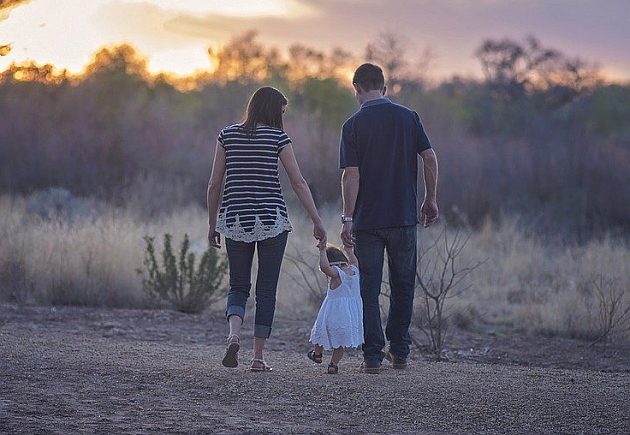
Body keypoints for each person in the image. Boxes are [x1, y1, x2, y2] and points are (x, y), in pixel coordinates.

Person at [207, 86, 326, 372]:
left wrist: (213, 224)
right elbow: (298, 182)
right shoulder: (278, 138)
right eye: (282, 112)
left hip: (235, 220)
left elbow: (214, 184)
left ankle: (234, 335)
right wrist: (317, 220)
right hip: (272, 220)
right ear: (273, 110)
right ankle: (258, 358)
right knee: (266, 290)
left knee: (238, 285)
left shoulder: (227, 135)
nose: (283, 117)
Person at [339, 63, 439, 374]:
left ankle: (372, 356)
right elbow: (430, 157)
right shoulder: (409, 118)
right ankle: (400, 351)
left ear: (356, 89)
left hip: (368, 222)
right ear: (384, 87)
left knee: (368, 288)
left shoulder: (352, 125)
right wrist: (430, 199)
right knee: (403, 284)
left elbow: (350, 175)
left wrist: (347, 217)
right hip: (403, 218)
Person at [308, 243, 364, 374]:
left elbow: (324, 267)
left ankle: (317, 354)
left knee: (321, 333)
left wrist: (322, 251)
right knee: (340, 343)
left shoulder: (336, 273)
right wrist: (349, 251)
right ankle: (333, 365)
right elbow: (354, 260)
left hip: (333, 313)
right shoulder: (354, 270)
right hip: (349, 316)